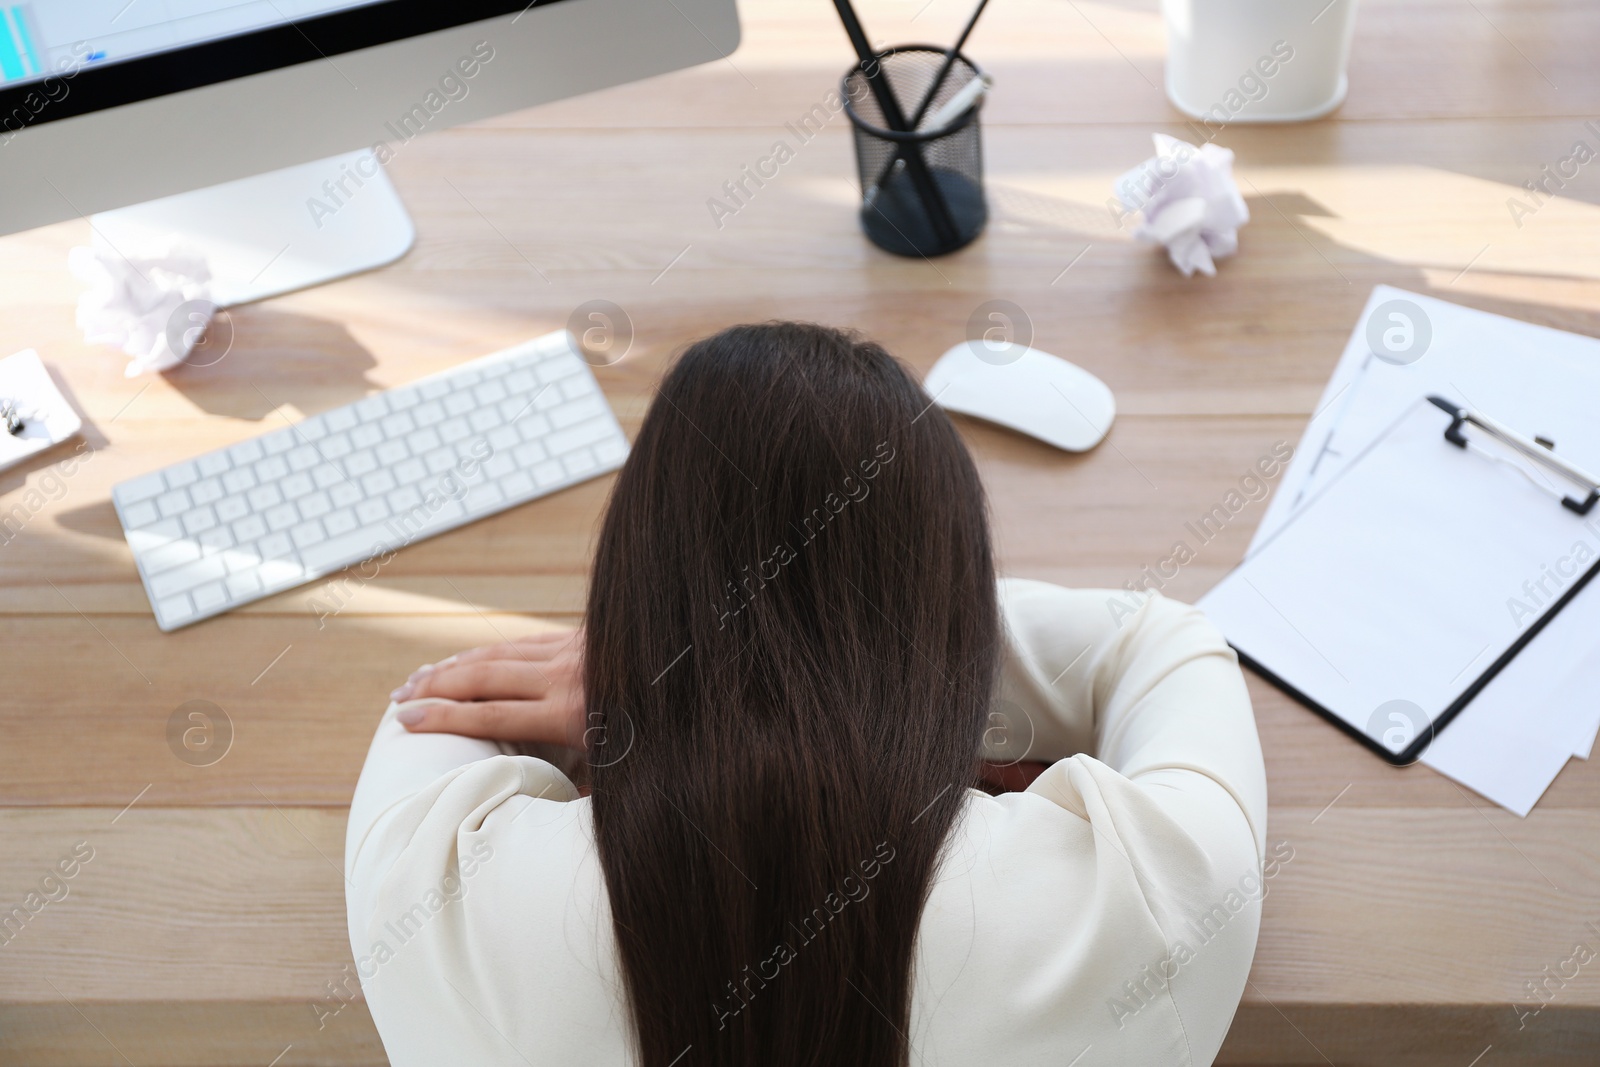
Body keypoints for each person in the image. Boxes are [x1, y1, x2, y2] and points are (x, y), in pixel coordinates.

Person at [345, 322, 1268, 1067]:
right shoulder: (1143, 900)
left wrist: (672, 670)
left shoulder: (439, 904)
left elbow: (445, 700)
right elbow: (1160, 641)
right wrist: (893, 646)